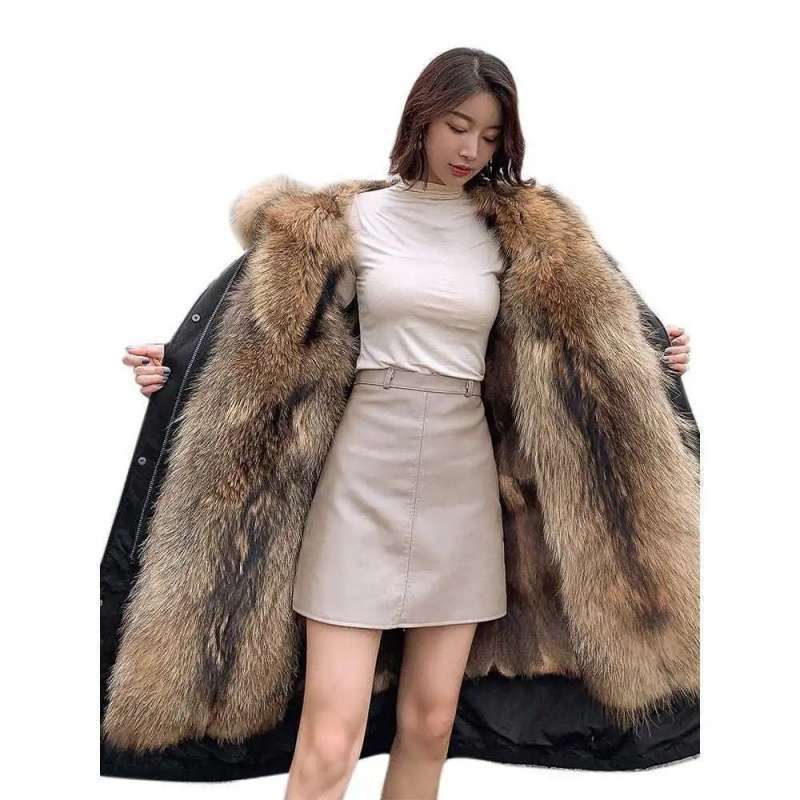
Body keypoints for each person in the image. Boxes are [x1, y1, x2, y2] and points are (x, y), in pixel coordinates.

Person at [104, 48, 699, 798]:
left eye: (490, 135)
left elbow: (583, 341)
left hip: (463, 483)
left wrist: (655, 359)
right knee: (331, 737)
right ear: (421, 117)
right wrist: (176, 370)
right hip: (363, 474)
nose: (471, 149)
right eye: (458, 125)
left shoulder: (521, 232)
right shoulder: (349, 220)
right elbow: (264, 340)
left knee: (430, 723)